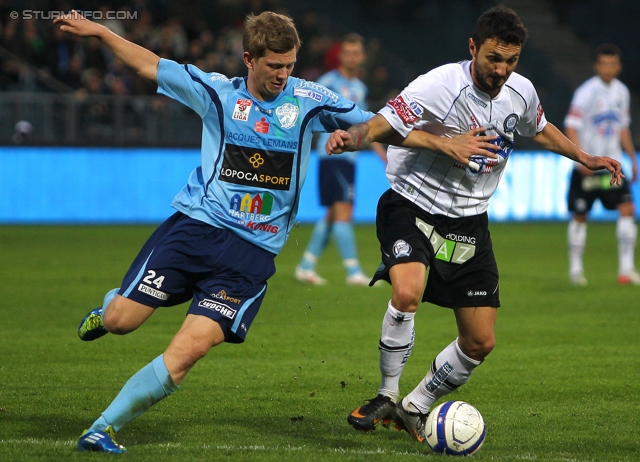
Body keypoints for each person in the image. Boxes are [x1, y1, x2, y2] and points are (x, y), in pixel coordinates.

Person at [54, 10, 376, 454]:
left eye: (290, 65)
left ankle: (103, 427)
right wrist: (103, 32)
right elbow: (150, 64)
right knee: (120, 322)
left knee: (189, 351)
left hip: (251, 256)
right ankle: (110, 304)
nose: (284, 75)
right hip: (196, 231)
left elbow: (379, 122)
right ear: (249, 58)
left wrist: (425, 140)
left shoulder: (310, 100)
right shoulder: (218, 93)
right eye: (274, 66)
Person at [325, 5, 622, 444]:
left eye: (510, 61)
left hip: (469, 220)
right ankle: (386, 394)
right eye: (492, 59)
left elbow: (537, 127)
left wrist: (585, 156)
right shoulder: (439, 84)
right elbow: (382, 126)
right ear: (472, 48)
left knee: (481, 341)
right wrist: (355, 137)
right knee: (407, 290)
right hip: (413, 205)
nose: (501, 70)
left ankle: (414, 406)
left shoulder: (520, 90)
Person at [295, 33, 387, 286]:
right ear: (340, 55)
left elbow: (367, 125)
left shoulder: (360, 88)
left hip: (350, 159)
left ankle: (306, 265)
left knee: (333, 214)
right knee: (343, 210)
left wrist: (380, 152)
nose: (352, 57)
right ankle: (353, 271)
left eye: (356, 53)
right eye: (348, 52)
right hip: (331, 155)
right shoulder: (328, 83)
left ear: (363, 56)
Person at [564, 44, 639, 286]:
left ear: (618, 66)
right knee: (580, 214)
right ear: (597, 66)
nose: (608, 68)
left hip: (612, 166)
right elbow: (571, 126)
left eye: (612, 64)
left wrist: (632, 158)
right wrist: (581, 157)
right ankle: (576, 270)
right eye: (604, 64)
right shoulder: (586, 92)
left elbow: (622, 128)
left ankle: (626, 269)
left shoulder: (622, 92)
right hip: (589, 166)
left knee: (627, 209)